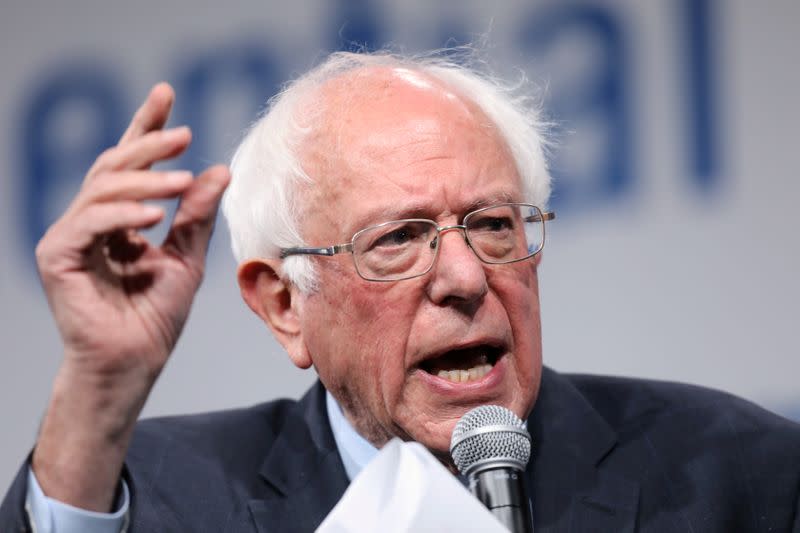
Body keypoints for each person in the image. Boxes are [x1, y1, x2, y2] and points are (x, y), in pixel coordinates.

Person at [1, 49, 799, 532]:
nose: (464, 277)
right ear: (284, 304)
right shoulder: (166, 499)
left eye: (492, 223)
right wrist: (99, 389)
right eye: (397, 239)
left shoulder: (739, 474)